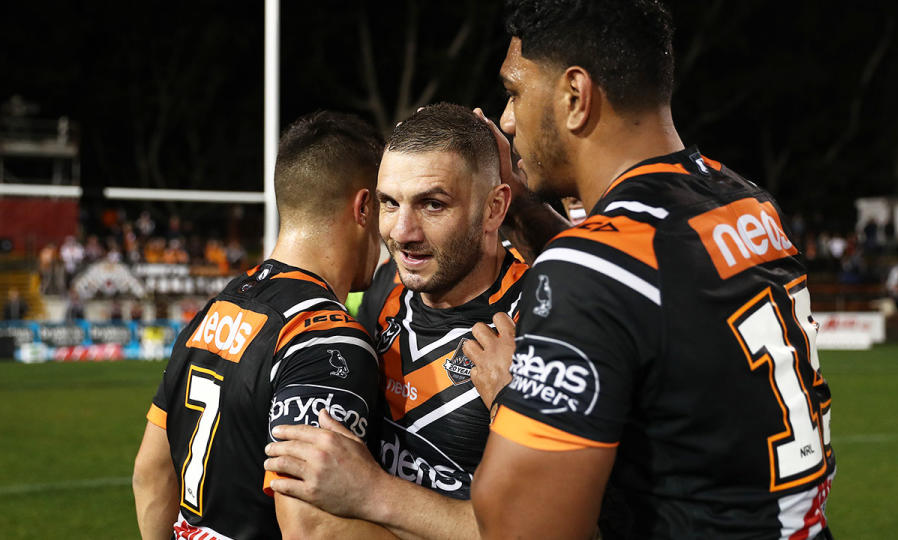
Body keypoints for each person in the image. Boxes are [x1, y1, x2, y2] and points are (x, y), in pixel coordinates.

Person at [466, 1, 836, 539]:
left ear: (575, 96)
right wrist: (523, 210)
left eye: (515, 92)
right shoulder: (745, 201)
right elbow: (648, 292)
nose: (506, 119)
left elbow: (521, 525)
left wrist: (509, 401)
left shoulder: (593, 265)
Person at [264, 103, 525, 539]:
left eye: (432, 204)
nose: (402, 232)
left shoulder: (541, 319)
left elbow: (550, 528)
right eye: (389, 202)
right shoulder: (384, 289)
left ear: (494, 209)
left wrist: (373, 491)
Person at [132, 110, 392, 540]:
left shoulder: (215, 309)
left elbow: (150, 471)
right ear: (363, 207)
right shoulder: (326, 338)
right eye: (387, 205)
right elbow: (312, 527)